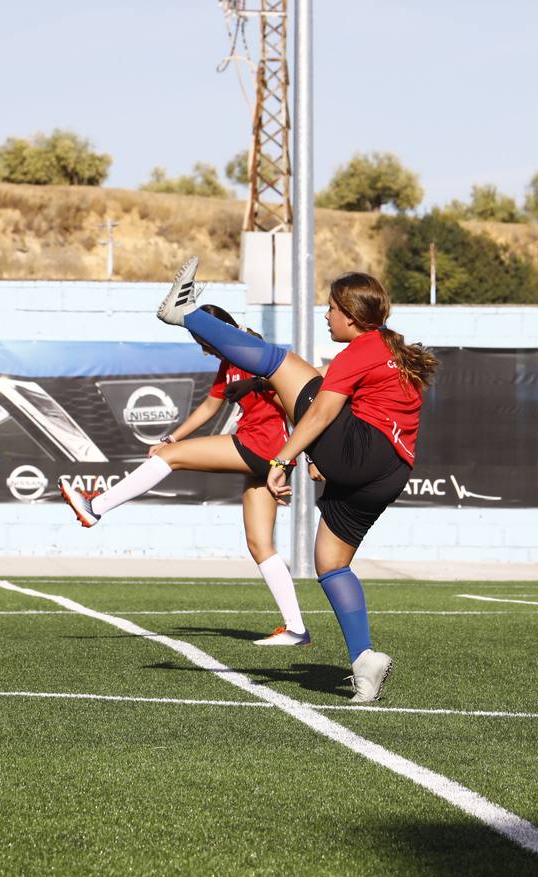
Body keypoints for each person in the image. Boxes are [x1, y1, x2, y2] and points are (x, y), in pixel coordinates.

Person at [153, 257, 436, 703]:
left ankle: (183, 314)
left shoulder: (359, 350)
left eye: (331, 309)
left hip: (362, 453)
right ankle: (364, 660)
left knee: (280, 363)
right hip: (389, 474)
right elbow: (337, 411)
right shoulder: (389, 351)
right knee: (330, 562)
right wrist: (322, 455)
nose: (326, 316)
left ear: (350, 315)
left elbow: (322, 411)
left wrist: (282, 460)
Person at [59, 304, 309, 647]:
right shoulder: (228, 359)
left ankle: (95, 508)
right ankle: (296, 628)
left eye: (202, 339)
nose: (202, 348)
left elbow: (292, 402)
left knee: (172, 459)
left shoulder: (252, 350)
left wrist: (299, 455)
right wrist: (172, 437)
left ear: (219, 329)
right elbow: (210, 406)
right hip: (265, 452)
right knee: (259, 543)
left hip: (264, 447)